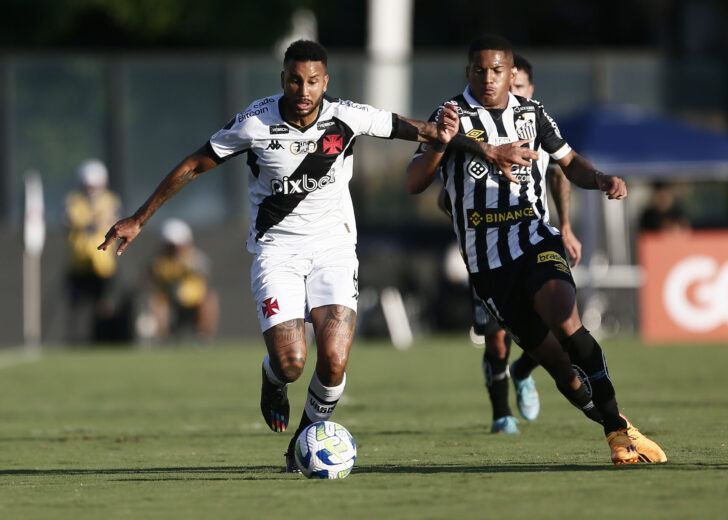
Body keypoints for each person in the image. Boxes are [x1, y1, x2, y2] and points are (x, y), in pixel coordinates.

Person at [98, 40, 533, 472]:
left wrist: (489, 150)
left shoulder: (347, 115)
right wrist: (139, 218)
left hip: (334, 249)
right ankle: (273, 380)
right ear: (282, 80)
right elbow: (195, 164)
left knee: (335, 359)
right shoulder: (255, 122)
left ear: (324, 82)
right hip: (277, 252)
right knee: (291, 362)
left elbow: (425, 131)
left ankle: (301, 444)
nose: (303, 90)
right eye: (294, 80)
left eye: (312, 81)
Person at [406, 35, 666, 465]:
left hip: (534, 238)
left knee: (568, 323)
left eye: (497, 71)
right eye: (479, 70)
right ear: (468, 72)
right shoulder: (449, 115)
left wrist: (599, 178)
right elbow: (414, 183)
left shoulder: (532, 114)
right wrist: (439, 143)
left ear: (512, 73)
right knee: (561, 369)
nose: (488, 79)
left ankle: (619, 437)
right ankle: (616, 422)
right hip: (488, 264)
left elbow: (568, 163)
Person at [469, 53, 584, 433]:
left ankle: (524, 370)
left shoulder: (535, 121)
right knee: (497, 338)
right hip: (489, 249)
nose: (504, 91)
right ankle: (501, 414)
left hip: (533, 239)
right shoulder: (474, 127)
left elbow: (560, 172)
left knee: (559, 326)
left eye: (515, 86)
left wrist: (565, 226)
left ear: (526, 87)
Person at [64, 158, 121, 343]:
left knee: (103, 304)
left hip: (103, 263)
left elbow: (113, 218)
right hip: (79, 262)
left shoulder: (110, 200)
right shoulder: (74, 200)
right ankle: (75, 340)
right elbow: (70, 220)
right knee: (76, 304)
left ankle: (103, 338)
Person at [147, 218, 219, 341]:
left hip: (194, 300)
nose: (173, 249)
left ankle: (204, 336)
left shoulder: (196, 258)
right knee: (157, 302)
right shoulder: (158, 261)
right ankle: (162, 336)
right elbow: (148, 278)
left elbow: (205, 274)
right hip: (169, 300)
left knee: (209, 299)